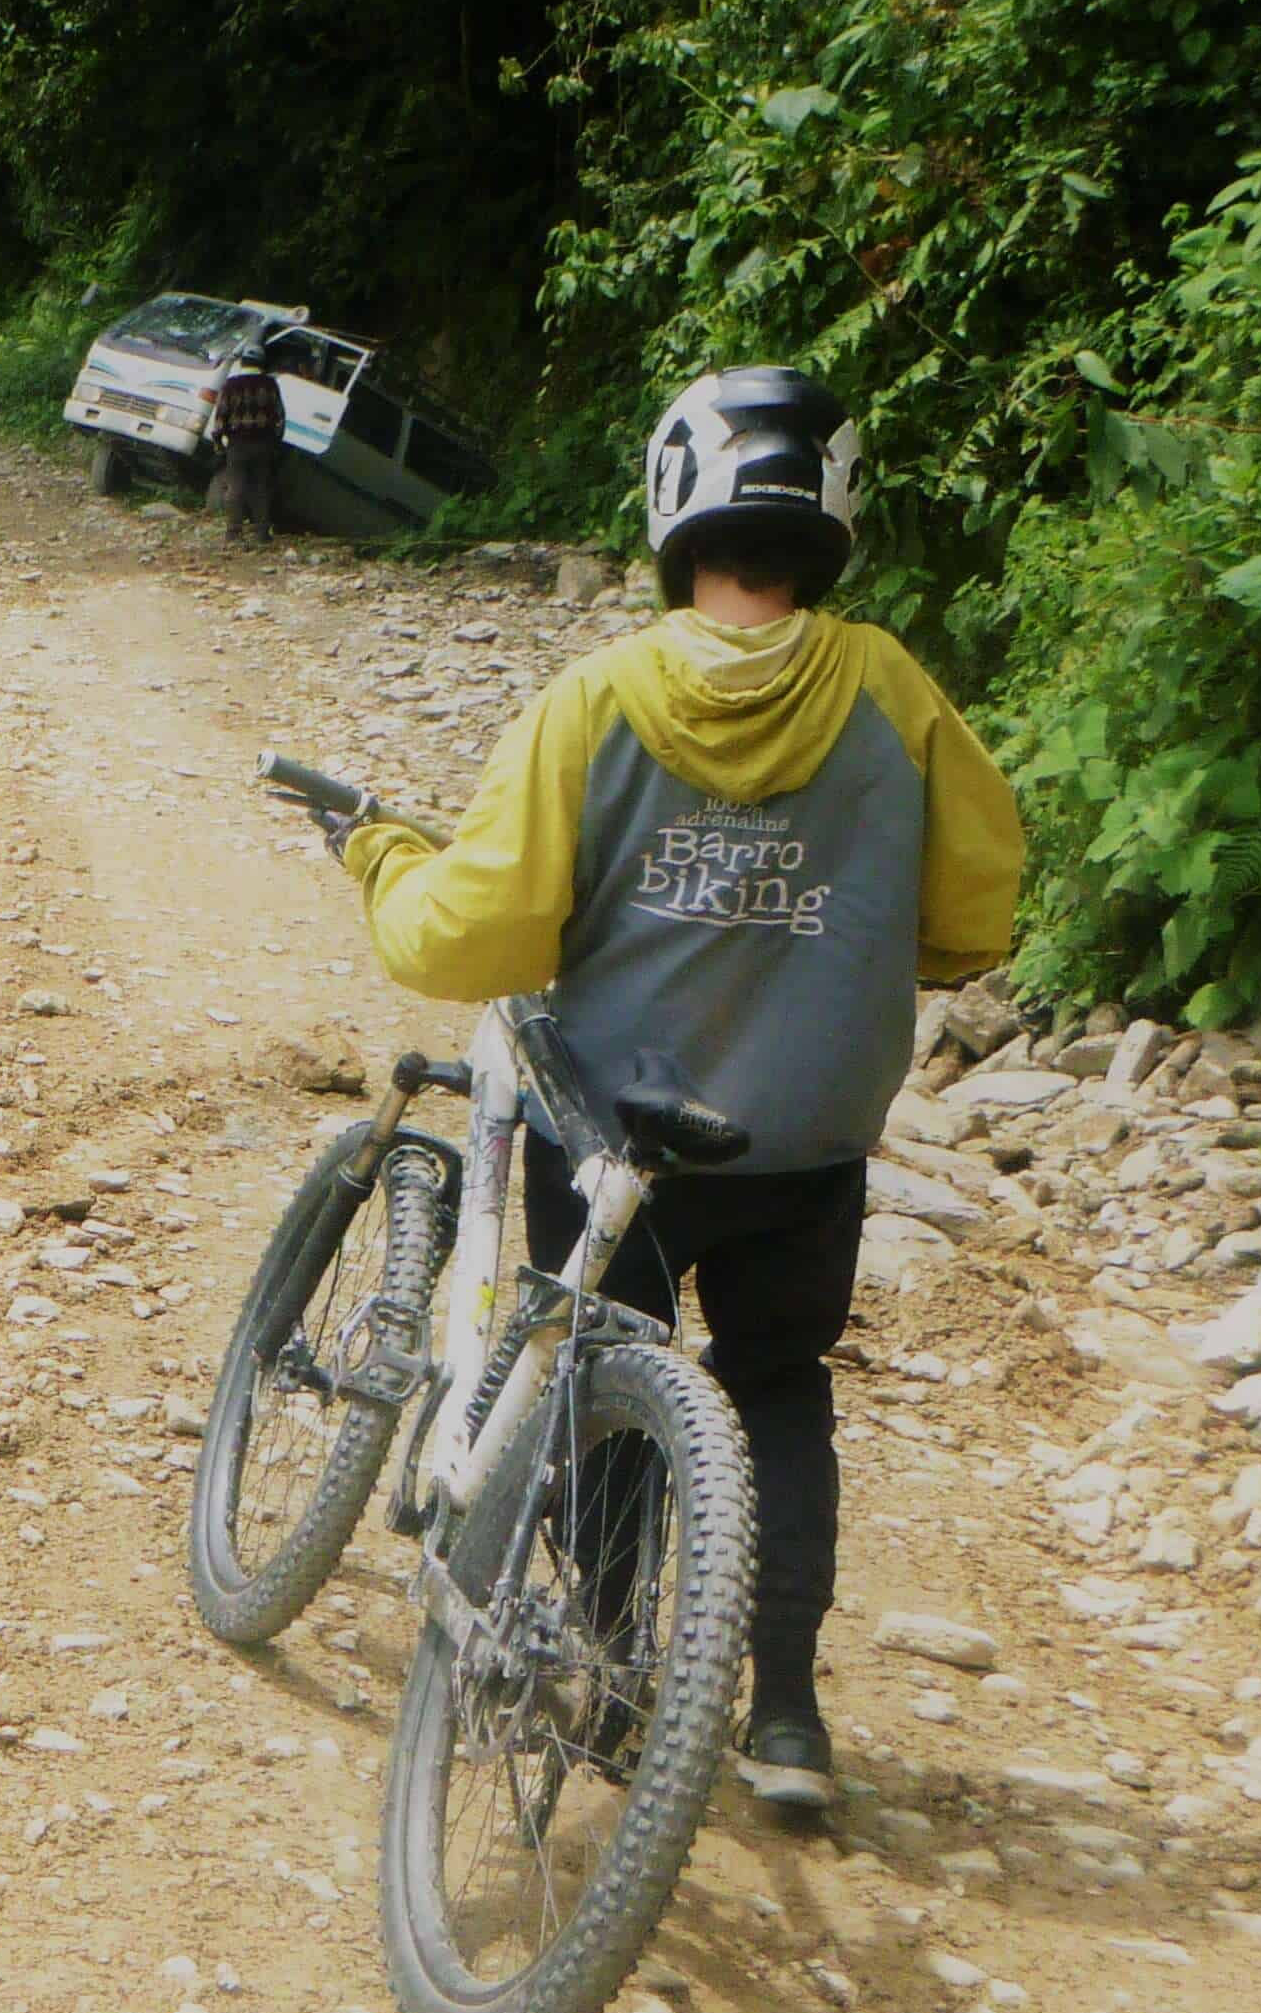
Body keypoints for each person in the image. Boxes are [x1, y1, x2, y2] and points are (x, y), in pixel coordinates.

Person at [326, 365, 1019, 1812]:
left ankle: (617, 1648)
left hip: (610, 1138)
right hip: (807, 1136)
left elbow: (482, 932)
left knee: (591, 1372)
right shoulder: (891, 690)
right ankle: (777, 1714)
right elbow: (971, 913)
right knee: (776, 1383)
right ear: (827, 512)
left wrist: (383, 857)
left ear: (671, 503)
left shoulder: (597, 698)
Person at [207, 344, 287, 542]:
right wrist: (276, 442)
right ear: (262, 362)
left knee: (236, 487)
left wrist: (218, 442)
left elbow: (220, 417)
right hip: (264, 443)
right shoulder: (270, 384)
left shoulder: (231, 385)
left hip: (238, 443)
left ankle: (234, 533)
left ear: (243, 362)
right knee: (261, 487)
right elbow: (280, 417)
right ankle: (261, 533)